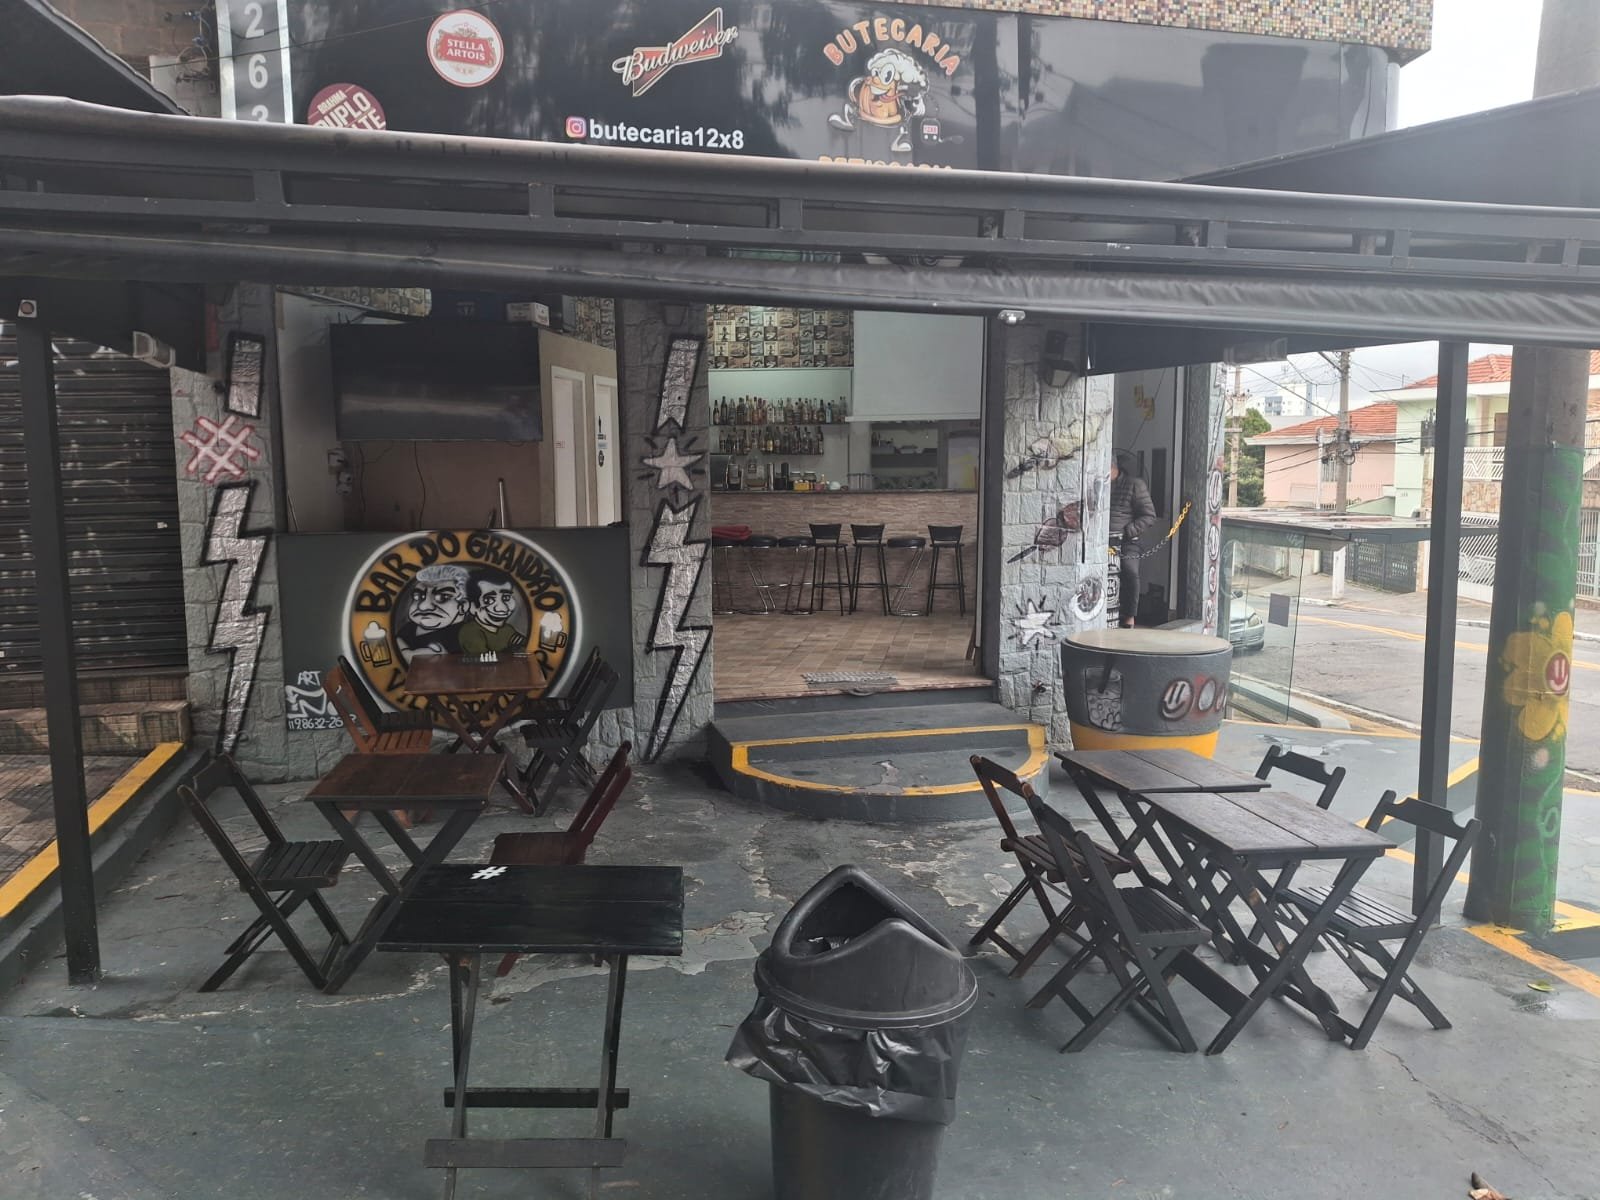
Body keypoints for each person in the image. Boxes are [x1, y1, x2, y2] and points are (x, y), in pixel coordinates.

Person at [1108, 451, 1157, 627]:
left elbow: (1149, 516)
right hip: (1102, 542)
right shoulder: (1099, 484)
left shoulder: (1135, 485)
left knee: (1130, 571)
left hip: (1128, 541)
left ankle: (1130, 615)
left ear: (1113, 467)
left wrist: (1128, 531)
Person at [458, 572, 528, 655]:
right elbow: (483, 659)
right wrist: (511, 649)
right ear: (472, 607)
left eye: (506, 597)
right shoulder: (470, 632)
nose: (502, 608)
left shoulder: (507, 630)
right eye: (488, 600)